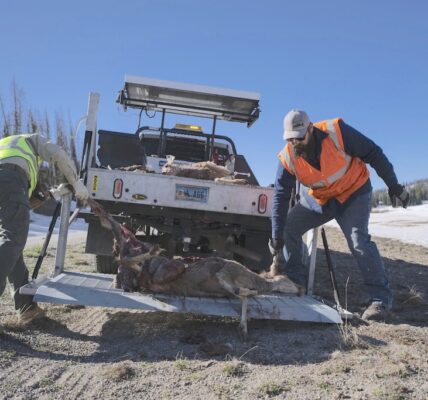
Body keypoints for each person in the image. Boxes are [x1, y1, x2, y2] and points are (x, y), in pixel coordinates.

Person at [270, 110, 409, 321]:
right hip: (322, 198)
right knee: (290, 227)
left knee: (358, 242)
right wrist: (276, 234)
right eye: (290, 139)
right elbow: (280, 196)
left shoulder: (337, 132)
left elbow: (373, 152)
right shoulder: (287, 157)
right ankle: (295, 283)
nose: (295, 143)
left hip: (354, 193)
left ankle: (380, 300)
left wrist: (394, 185)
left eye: (299, 137)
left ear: (310, 128)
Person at [0, 133, 89, 325]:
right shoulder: (31, 140)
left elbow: (21, 205)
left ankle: (27, 308)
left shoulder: (6, 148)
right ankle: (26, 308)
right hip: (10, 179)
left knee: (12, 246)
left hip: (8, 184)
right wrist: (76, 182)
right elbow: (59, 155)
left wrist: (51, 194)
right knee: (12, 240)